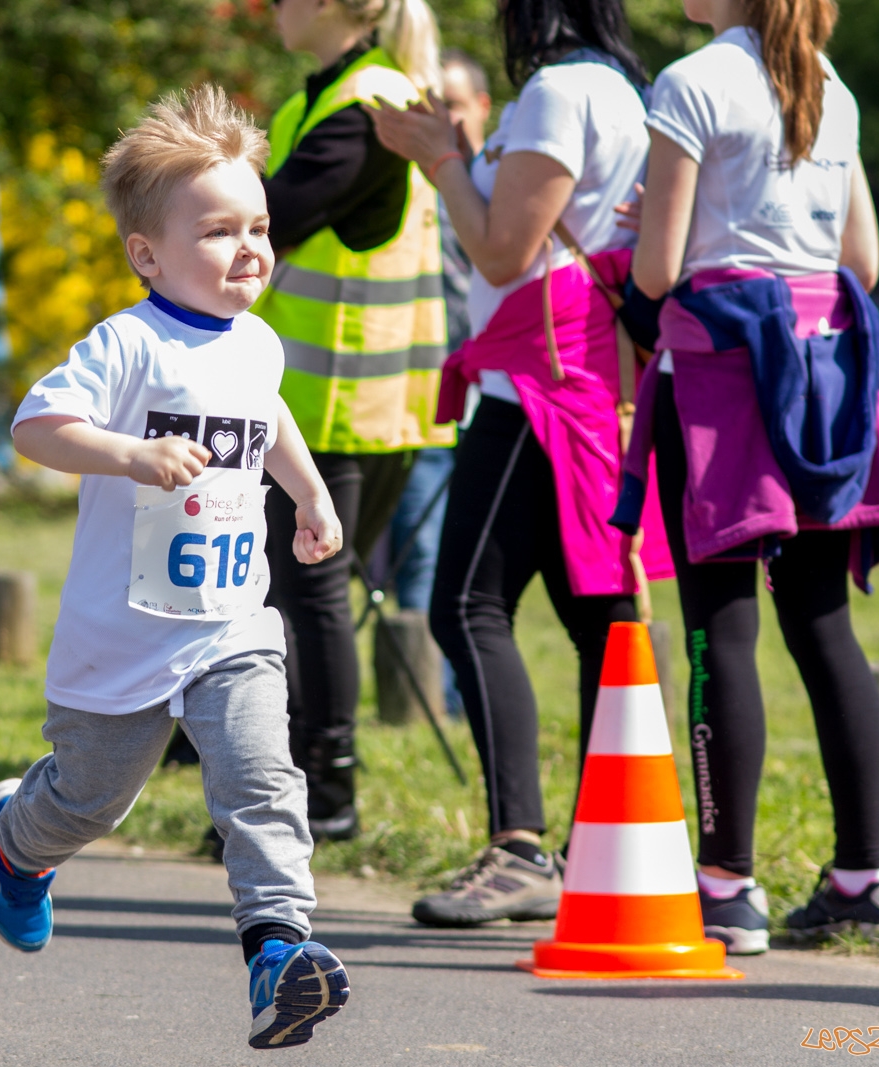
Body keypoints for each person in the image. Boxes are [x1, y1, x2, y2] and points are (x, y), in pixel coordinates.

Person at [0, 85, 351, 1051]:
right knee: (88, 801)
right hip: (124, 634)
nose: (250, 250)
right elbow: (35, 425)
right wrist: (129, 452)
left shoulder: (259, 343)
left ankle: (279, 953)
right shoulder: (128, 342)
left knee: (263, 779)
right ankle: (16, 844)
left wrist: (308, 495)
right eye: (219, 231)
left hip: (231, 622)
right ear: (146, 252)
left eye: (259, 227)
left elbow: (268, 419)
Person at [626, 0, 879, 955]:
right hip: (823, 379)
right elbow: (866, 259)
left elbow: (656, 271)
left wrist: (644, 228)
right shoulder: (830, 85)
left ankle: (726, 885)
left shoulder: (693, 83)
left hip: (720, 384)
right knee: (822, 620)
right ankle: (863, 876)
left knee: (722, 621)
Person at [368, 0, 669, 927]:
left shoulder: (556, 92)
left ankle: (519, 848)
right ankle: (601, 845)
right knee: (598, 619)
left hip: (536, 380)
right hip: (598, 376)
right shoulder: (628, 90)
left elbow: (504, 250)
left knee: (466, 603)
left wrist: (441, 161)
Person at [254, 0, 457, 842]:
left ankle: (327, 787)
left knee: (310, 594)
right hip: (319, 401)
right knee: (293, 593)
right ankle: (291, 778)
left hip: (347, 403)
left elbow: (273, 217)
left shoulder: (370, 107)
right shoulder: (315, 100)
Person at [382, 48, 491, 720]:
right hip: (426, 392)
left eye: (453, 102)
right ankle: (426, 703)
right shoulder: (421, 188)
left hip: (497, 395)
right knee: (420, 550)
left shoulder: (509, 182)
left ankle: (455, 694)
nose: (443, 115)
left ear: (481, 107)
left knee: (475, 560)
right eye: (433, 103)